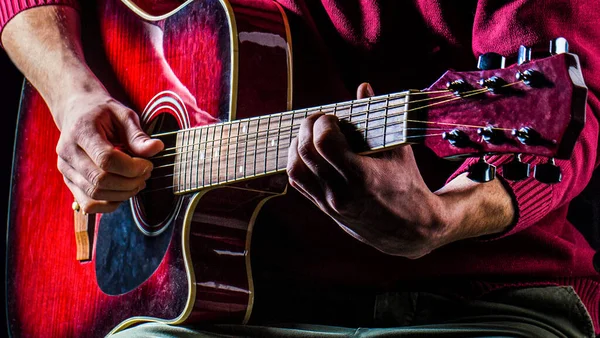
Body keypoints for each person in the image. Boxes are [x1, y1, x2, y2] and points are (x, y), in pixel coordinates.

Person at [1, 1, 599, 337]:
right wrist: (73, 96)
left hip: (475, 303)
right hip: (226, 312)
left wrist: (445, 216)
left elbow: (569, 109)